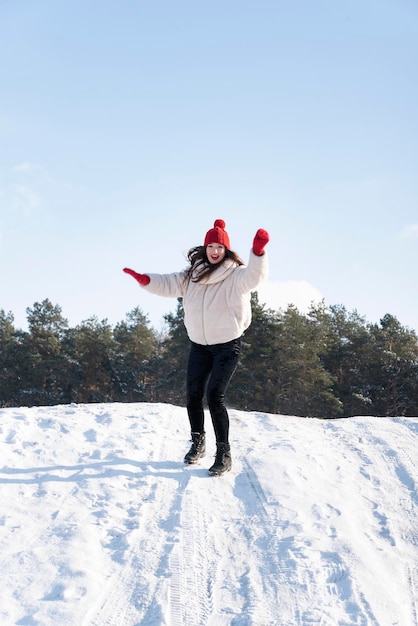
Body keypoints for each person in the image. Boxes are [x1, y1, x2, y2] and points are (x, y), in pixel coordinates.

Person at [123, 219, 269, 476]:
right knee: (192, 395)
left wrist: (257, 252)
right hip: (199, 346)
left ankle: (224, 453)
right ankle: (198, 443)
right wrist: (144, 279)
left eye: (219, 247)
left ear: (226, 250)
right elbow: (167, 283)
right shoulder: (192, 276)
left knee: (214, 395)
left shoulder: (236, 276)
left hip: (227, 346)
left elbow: (255, 277)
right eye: (210, 246)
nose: (214, 251)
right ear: (205, 248)